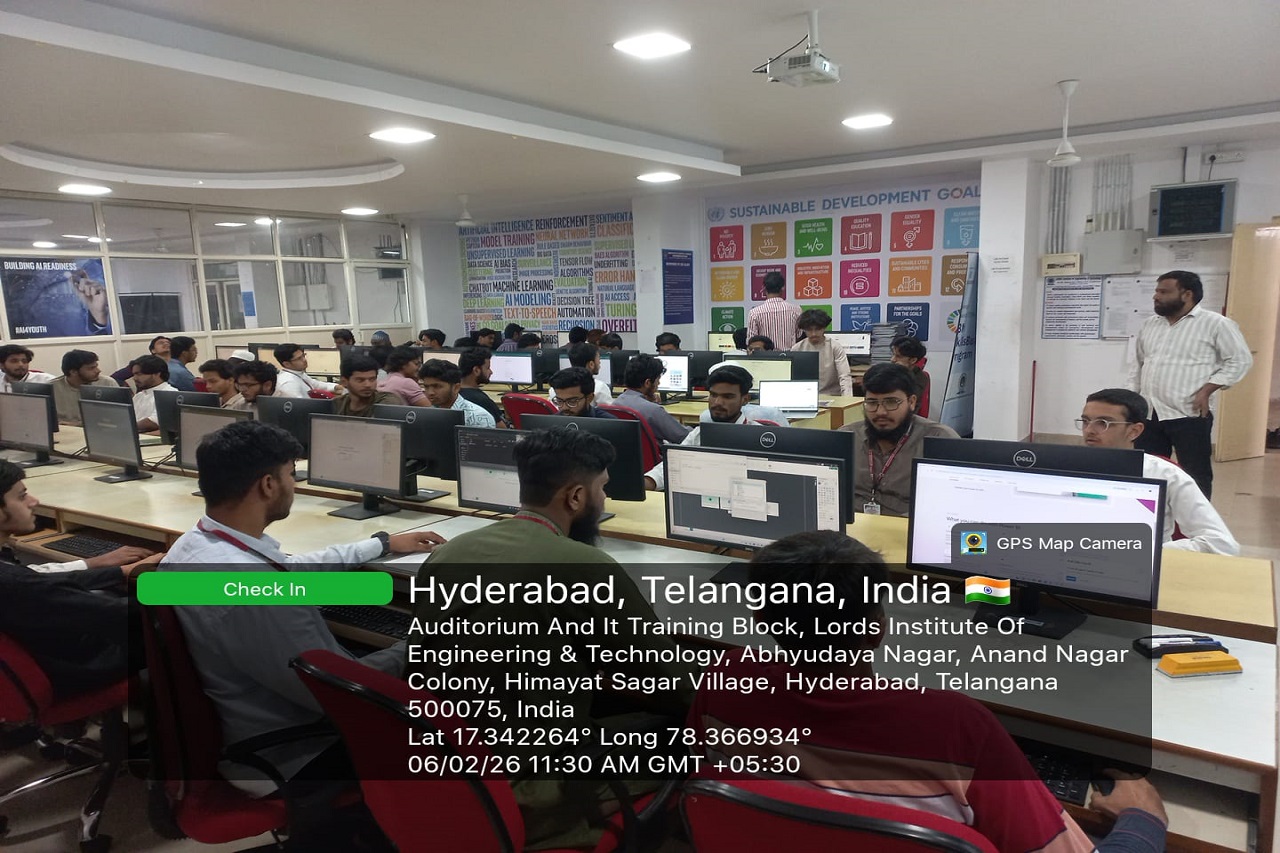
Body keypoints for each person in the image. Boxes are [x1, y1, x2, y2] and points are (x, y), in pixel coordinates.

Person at [689, 530, 1169, 853]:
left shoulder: (726, 677)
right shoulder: (953, 724)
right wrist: (1141, 822)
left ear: (762, 619)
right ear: (877, 628)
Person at [406, 427, 694, 850]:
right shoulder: (582, 564)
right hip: (534, 786)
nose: (604, 500)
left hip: (454, 761)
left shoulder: (449, 551)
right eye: (602, 489)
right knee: (694, 732)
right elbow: (674, 683)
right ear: (575, 497)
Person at [159, 421, 443, 846]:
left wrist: (380, 544)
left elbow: (287, 570)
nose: (296, 484)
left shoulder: (196, 546)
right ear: (268, 485)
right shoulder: (253, 592)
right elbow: (342, 694)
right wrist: (426, 638)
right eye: (292, 474)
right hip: (292, 754)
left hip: (248, 720)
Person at [0, 461, 158, 699]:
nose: (34, 501)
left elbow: (42, 580)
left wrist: (119, 572)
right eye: (22, 496)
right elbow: (116, 614)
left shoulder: (14, 576)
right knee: (170, 626)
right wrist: (200, 588)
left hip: (41, 660)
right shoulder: (16, 584)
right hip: (76, 669)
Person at [1127, 270, 1252, 499]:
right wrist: (1133, 401)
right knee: (1148, 470)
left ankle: (1197, 519)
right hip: (1150, 413)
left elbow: (1240, 360)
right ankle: (1152, 514)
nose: (1156, 296)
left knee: (1195, 474)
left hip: (1189, 414)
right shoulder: (1150, 325)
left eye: (1164, 292)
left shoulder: (1216, 324)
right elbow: (1138, 363)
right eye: (1156, 291)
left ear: (1187, 294)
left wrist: (1208, 389)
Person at [1080, 388, 1238, 554]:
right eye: (1085, 421)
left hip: (1141, 562)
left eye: (1103, 423)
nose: (1089, 430)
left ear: (1134, 431)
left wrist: (1149, 551)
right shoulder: (1067, 467)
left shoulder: (1166, 474)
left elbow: (1222, 543)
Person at [838, 363, 959, 517]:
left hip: (907, 527)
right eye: (872, 403)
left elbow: (951, 504)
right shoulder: (847, 436)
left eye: (891, 402)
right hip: (853, 526)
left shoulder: (939, 439)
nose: (880, 412)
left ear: (912, 402)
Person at [645, 364, 761, 490]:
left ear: (745, 399)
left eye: (727, 397)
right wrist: (649, 481)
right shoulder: (700, 434)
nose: (717, 402)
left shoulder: (758, 437)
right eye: (713, 395)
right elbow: (673, 464)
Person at [615, 354, 691, 445]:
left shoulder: (615, 404)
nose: (659, 383)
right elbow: (684, 436)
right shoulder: (653, 410)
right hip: (658, 454)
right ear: (647, 383)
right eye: (658, 380)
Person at [417, 358, 496, 427]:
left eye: (437, 386)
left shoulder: (478, 417)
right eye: (426, 387)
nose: (430, 392)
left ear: (456, 388)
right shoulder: (427, 414)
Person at [791, 308, 853, 397]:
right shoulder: (797, 348)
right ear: (804, 330)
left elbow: (844, 376)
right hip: (806, 395)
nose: (813, 334)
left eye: (817, 329)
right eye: (809, 330)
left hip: (832, 396)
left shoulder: (835, 347)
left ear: (824, 328)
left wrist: (847, 400)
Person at [50, 349, 117, 424]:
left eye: (96, 366)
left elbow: (118, 417)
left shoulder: (107, 383)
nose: (98, 371)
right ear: (73, 372)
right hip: (64, 430)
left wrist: (77, 425)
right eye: (91, 368)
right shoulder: (51, 388)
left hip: (98, 429)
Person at [747, 270, 801, 347]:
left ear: (764, 288)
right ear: (783, 288)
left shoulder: (754, 313)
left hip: (765, 354)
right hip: (790, 353)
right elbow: (800, 336)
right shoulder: (796, 310)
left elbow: (751, 341)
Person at [332, 355, 399, 417]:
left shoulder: (387, 402)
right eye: (360, 380)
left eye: (372, 379)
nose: (368, 385)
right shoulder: (337, 404)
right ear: (344, 382)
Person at [457, 347, 508, 426]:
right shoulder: (482, 401)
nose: (491, 372)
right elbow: (502, 429)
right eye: (488, 368)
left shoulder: (455, 394)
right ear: (476, 370)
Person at [274, 344, 340, 398]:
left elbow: (316, 385)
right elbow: (300, 406)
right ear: (286, 364)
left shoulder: (298, 373)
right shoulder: (288, 384)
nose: (304, 360)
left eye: (303, 355)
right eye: (299, 358)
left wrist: (336, 387)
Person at [548, 367, 617, 419]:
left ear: (589, 398)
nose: (564, 407)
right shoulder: (551, 423)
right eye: (559, 401)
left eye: (572, 401)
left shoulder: (609, 423)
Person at [131, 355, 175, 431]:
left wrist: (127, 427)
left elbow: (154, 422)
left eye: (139, 374)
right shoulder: (139, 396)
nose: (134, 378)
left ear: (157, 374)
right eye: (134, 374)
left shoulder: (170, 394)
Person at [891, 335, 929, 407]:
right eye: (893, 355)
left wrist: (902, 372)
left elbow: (903, 400)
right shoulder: (891, 371)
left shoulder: (920, 378)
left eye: (898, 356)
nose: (892, 359)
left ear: (913, 360)